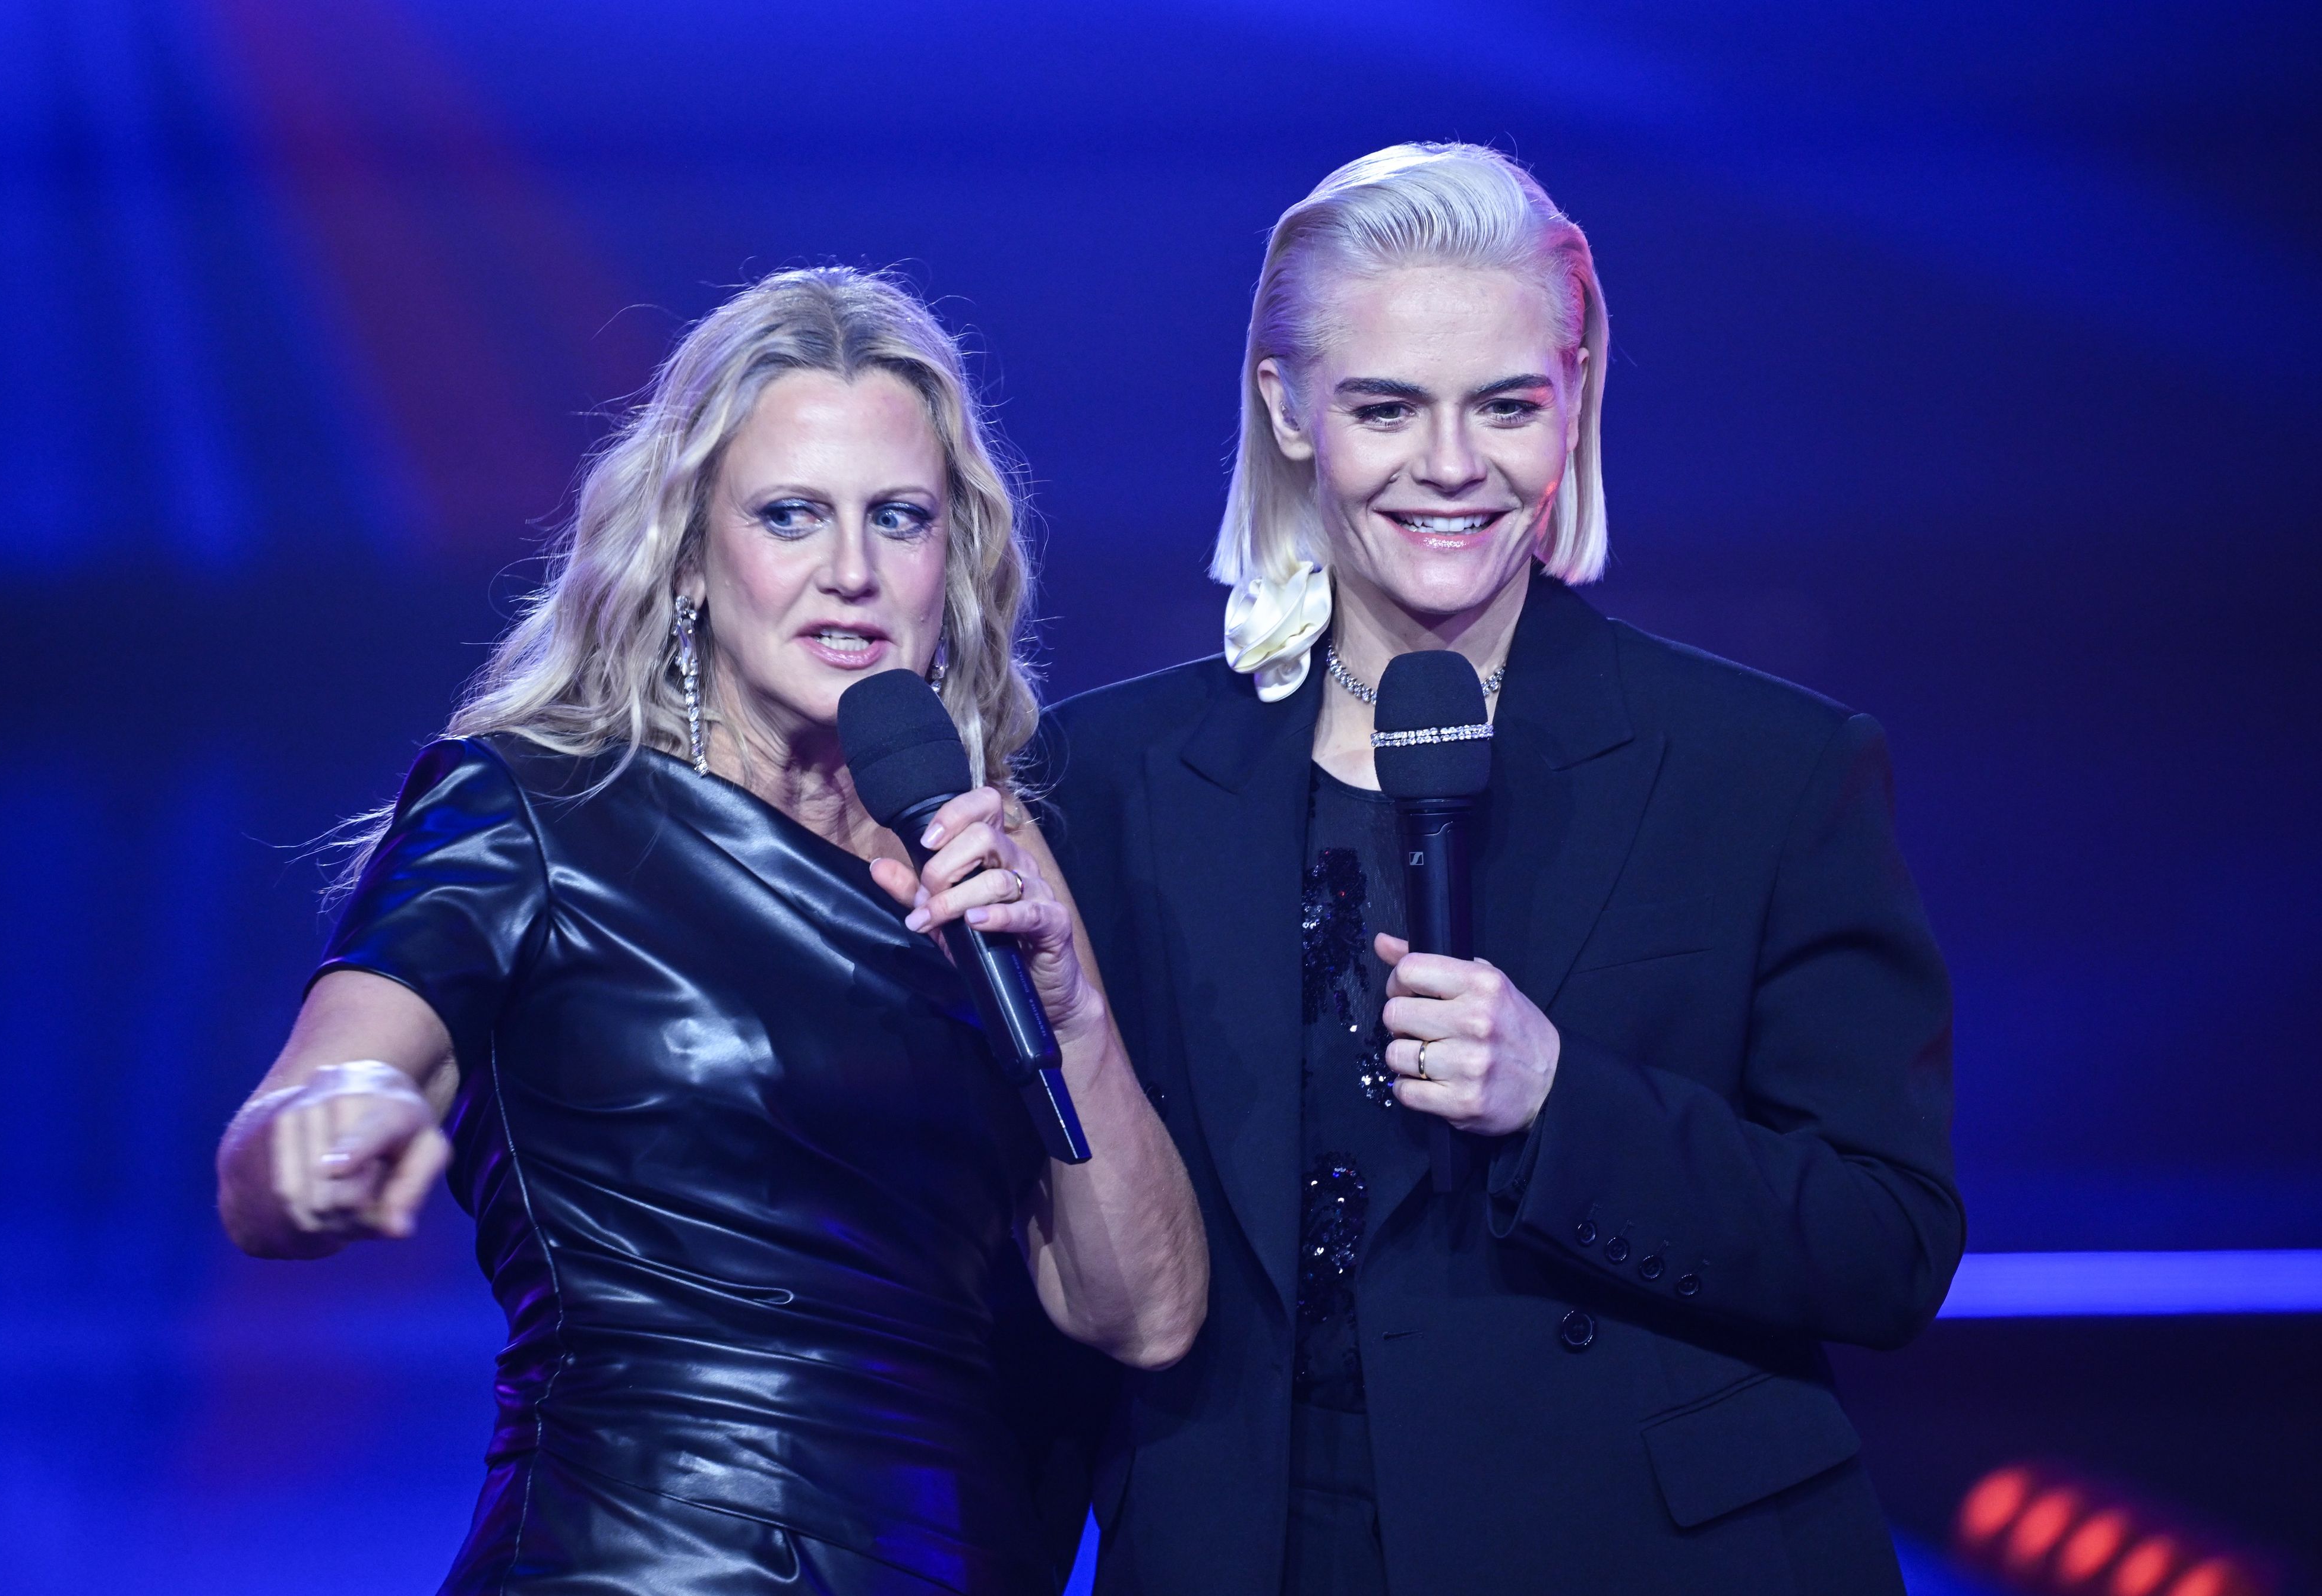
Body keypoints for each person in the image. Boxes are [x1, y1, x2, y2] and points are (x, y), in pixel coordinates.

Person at [1028, 144, 1963, 1594]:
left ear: (1574, 391)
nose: (1450, 466)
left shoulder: (1756, 766)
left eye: (1506, 404)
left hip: (1637, 1552)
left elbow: (1885, 1242)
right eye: (1385, 407)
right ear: (1285, 407)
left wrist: (1559, 1102)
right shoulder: (1109, 777)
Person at [215, 267, 1206, 1596]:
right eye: (790, 514)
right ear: (688, 552)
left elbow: (1142, 1315)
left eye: (896, 518)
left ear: (951, 562)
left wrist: (1073, 1006)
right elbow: (324, 1086)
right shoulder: (534, 808)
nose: (849, 570)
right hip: (636, 1558)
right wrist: (335, 1120)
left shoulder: (997, 872)